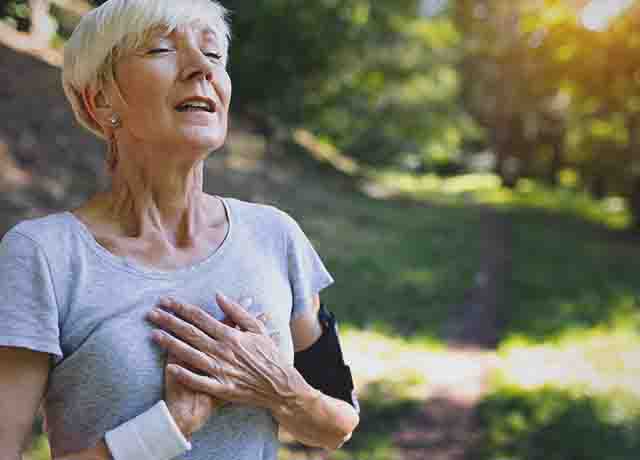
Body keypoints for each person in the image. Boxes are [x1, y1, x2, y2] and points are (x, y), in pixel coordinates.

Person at [0, 1, 359, 459]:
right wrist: (168, 427)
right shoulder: (42, 256)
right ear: (100, 99)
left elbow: (338, 423)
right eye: (160, 50)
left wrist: (280, 389)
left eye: (212, 56)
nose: (199, 70)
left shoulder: (276, 235)